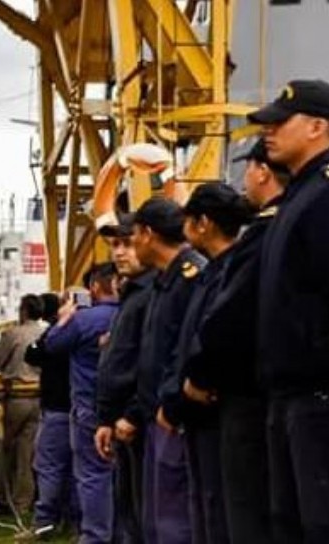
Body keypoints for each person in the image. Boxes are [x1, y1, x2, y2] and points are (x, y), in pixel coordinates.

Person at [186, 139, 286, 543]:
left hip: (242, 399)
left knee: (241, 513)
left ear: (262, 171)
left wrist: (198, 377)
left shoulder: (259, 240)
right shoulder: (270, 232)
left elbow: (226, 323)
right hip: (264, 394)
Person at [249, 79, 329, 542]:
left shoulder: (322, 196)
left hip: (316, 395)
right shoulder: (298, 198)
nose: (268, 132)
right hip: (288, 395)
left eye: (281, 123)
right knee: (290, 522)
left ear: (318, 126)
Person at [162, 183, 252, 544]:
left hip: (214, 406)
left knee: (219, 510)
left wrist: (189, 389)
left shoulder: (228, 271)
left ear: (204, 223)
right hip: (197, 407)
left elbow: (214, 336)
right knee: (203, 505)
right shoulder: (216, 271)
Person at [127, 197, 205, 543]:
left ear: (148, 234)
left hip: (174, 417)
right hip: (154, 414)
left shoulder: (191, 277)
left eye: (131, 237)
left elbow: (186, 349)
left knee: (175, 520)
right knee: (156, 520)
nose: (129, 246)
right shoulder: (163, 281)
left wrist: (171, 405)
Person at [42, 264, 120, 543]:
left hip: (89, 405)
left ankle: (95, 536)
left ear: (95, 288)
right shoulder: (134, 313)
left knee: (92, 476)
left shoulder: (84, 320)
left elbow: (51, 345)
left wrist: (64, 317)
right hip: (128, 409)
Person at [93, 212, 157, 544]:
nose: (119, 252)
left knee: (147, 515)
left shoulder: (152, 293)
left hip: (142, 422)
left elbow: (152, 360)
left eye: (127, 244)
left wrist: (131, 412)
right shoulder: (132, 294)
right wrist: (107, 418)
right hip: (121, 422)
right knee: (128, 510)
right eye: (114, 245)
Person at [0, 295, 44, 517]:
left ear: (24, 311)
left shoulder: (13, 334)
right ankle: (23, 502)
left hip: (14, 398)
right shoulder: (47, 333)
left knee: (2, 450)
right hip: (39, 399)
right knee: (27, 453)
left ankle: (3, 499)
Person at [23, 293, 76, 537]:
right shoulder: (93, 327)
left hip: (57, 407)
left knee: (49, 466)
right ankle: (73, 520)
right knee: (78, 469)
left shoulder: (59, 330)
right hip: (82, 407)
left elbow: (33, 354)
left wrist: (58, 325)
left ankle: (44, 521)